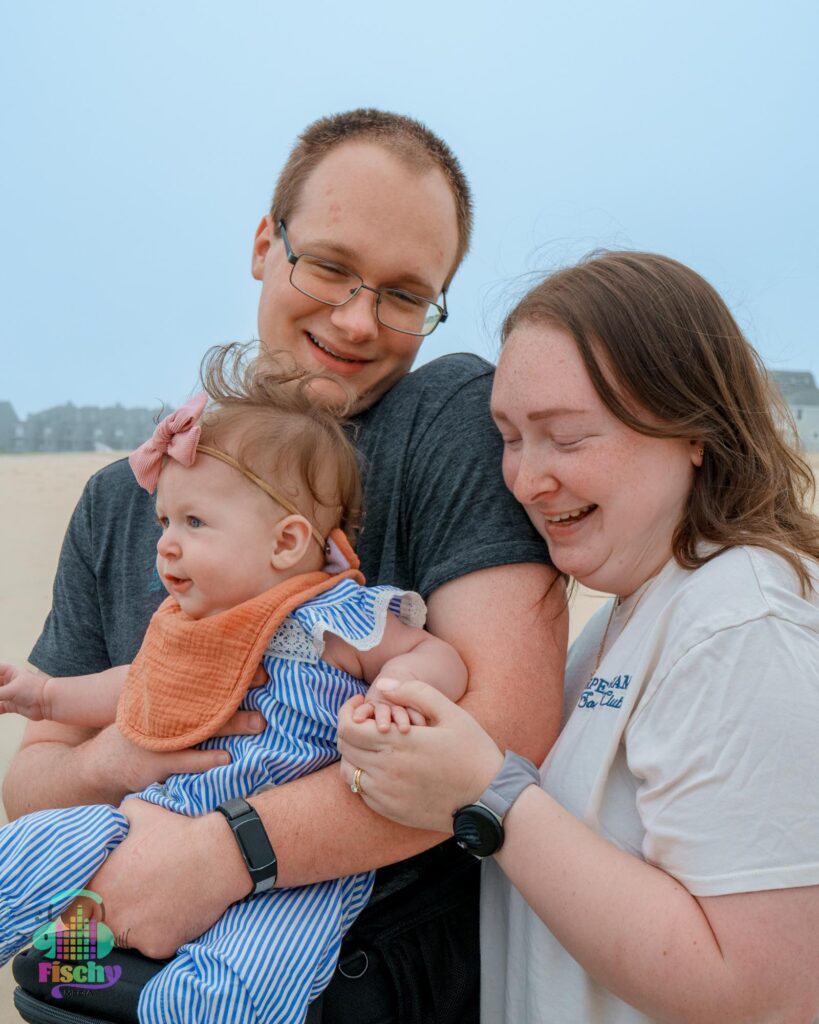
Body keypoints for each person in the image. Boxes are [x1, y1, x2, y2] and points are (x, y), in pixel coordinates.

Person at [2, 110, 565, 1022]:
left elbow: (507, 736)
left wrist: (222, 857)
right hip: (91, 972)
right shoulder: (124, 497)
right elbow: (28, 789)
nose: (357, 319)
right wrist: (128, 751)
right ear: (266, 243)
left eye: (403, 294)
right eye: (330, 267)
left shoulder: (445, 420)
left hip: (353, 985)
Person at [338, 251, 819, 1023]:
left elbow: (766, 994)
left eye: (564, 437)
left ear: (692, 430)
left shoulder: (742, 620)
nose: (526, 479)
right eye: (509, 437)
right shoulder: (620, 623)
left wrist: (483, 795)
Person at [0, 349, 468, 1022]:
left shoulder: (333, 618)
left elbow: (435, 655)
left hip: (296, 869)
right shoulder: (194, 627)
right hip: (148, 824)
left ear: (285, 543)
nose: (164, 543)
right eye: (164, 521)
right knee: (29, 851)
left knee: (246, 983)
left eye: (193, 523)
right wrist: (44, 697)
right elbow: (128, 688)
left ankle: (174, 1006)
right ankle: (64, 960)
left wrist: (394, 692)